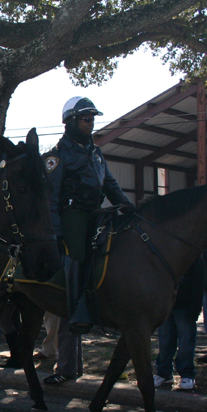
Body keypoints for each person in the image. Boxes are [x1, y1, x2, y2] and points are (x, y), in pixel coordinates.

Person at [44, 97, 134, 336]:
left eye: (92, 118)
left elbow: (110, 184)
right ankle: (76, 310)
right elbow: (50, 197)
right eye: (86, 119)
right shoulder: (57, 155)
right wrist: (56, 230)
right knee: (76, 254)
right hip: (73, 214)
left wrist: (126, 204)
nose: (90, 123)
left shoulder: (95, 152)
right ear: (71, 121)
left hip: (96, 211)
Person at [153, 258, 204, 391]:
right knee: (165, 340)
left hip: (185, 306)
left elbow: (198, 283)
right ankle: (163, 372)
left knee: (186, 342)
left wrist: (195, 307)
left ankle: (187, 374)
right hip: (167, 305)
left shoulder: (193, 258)